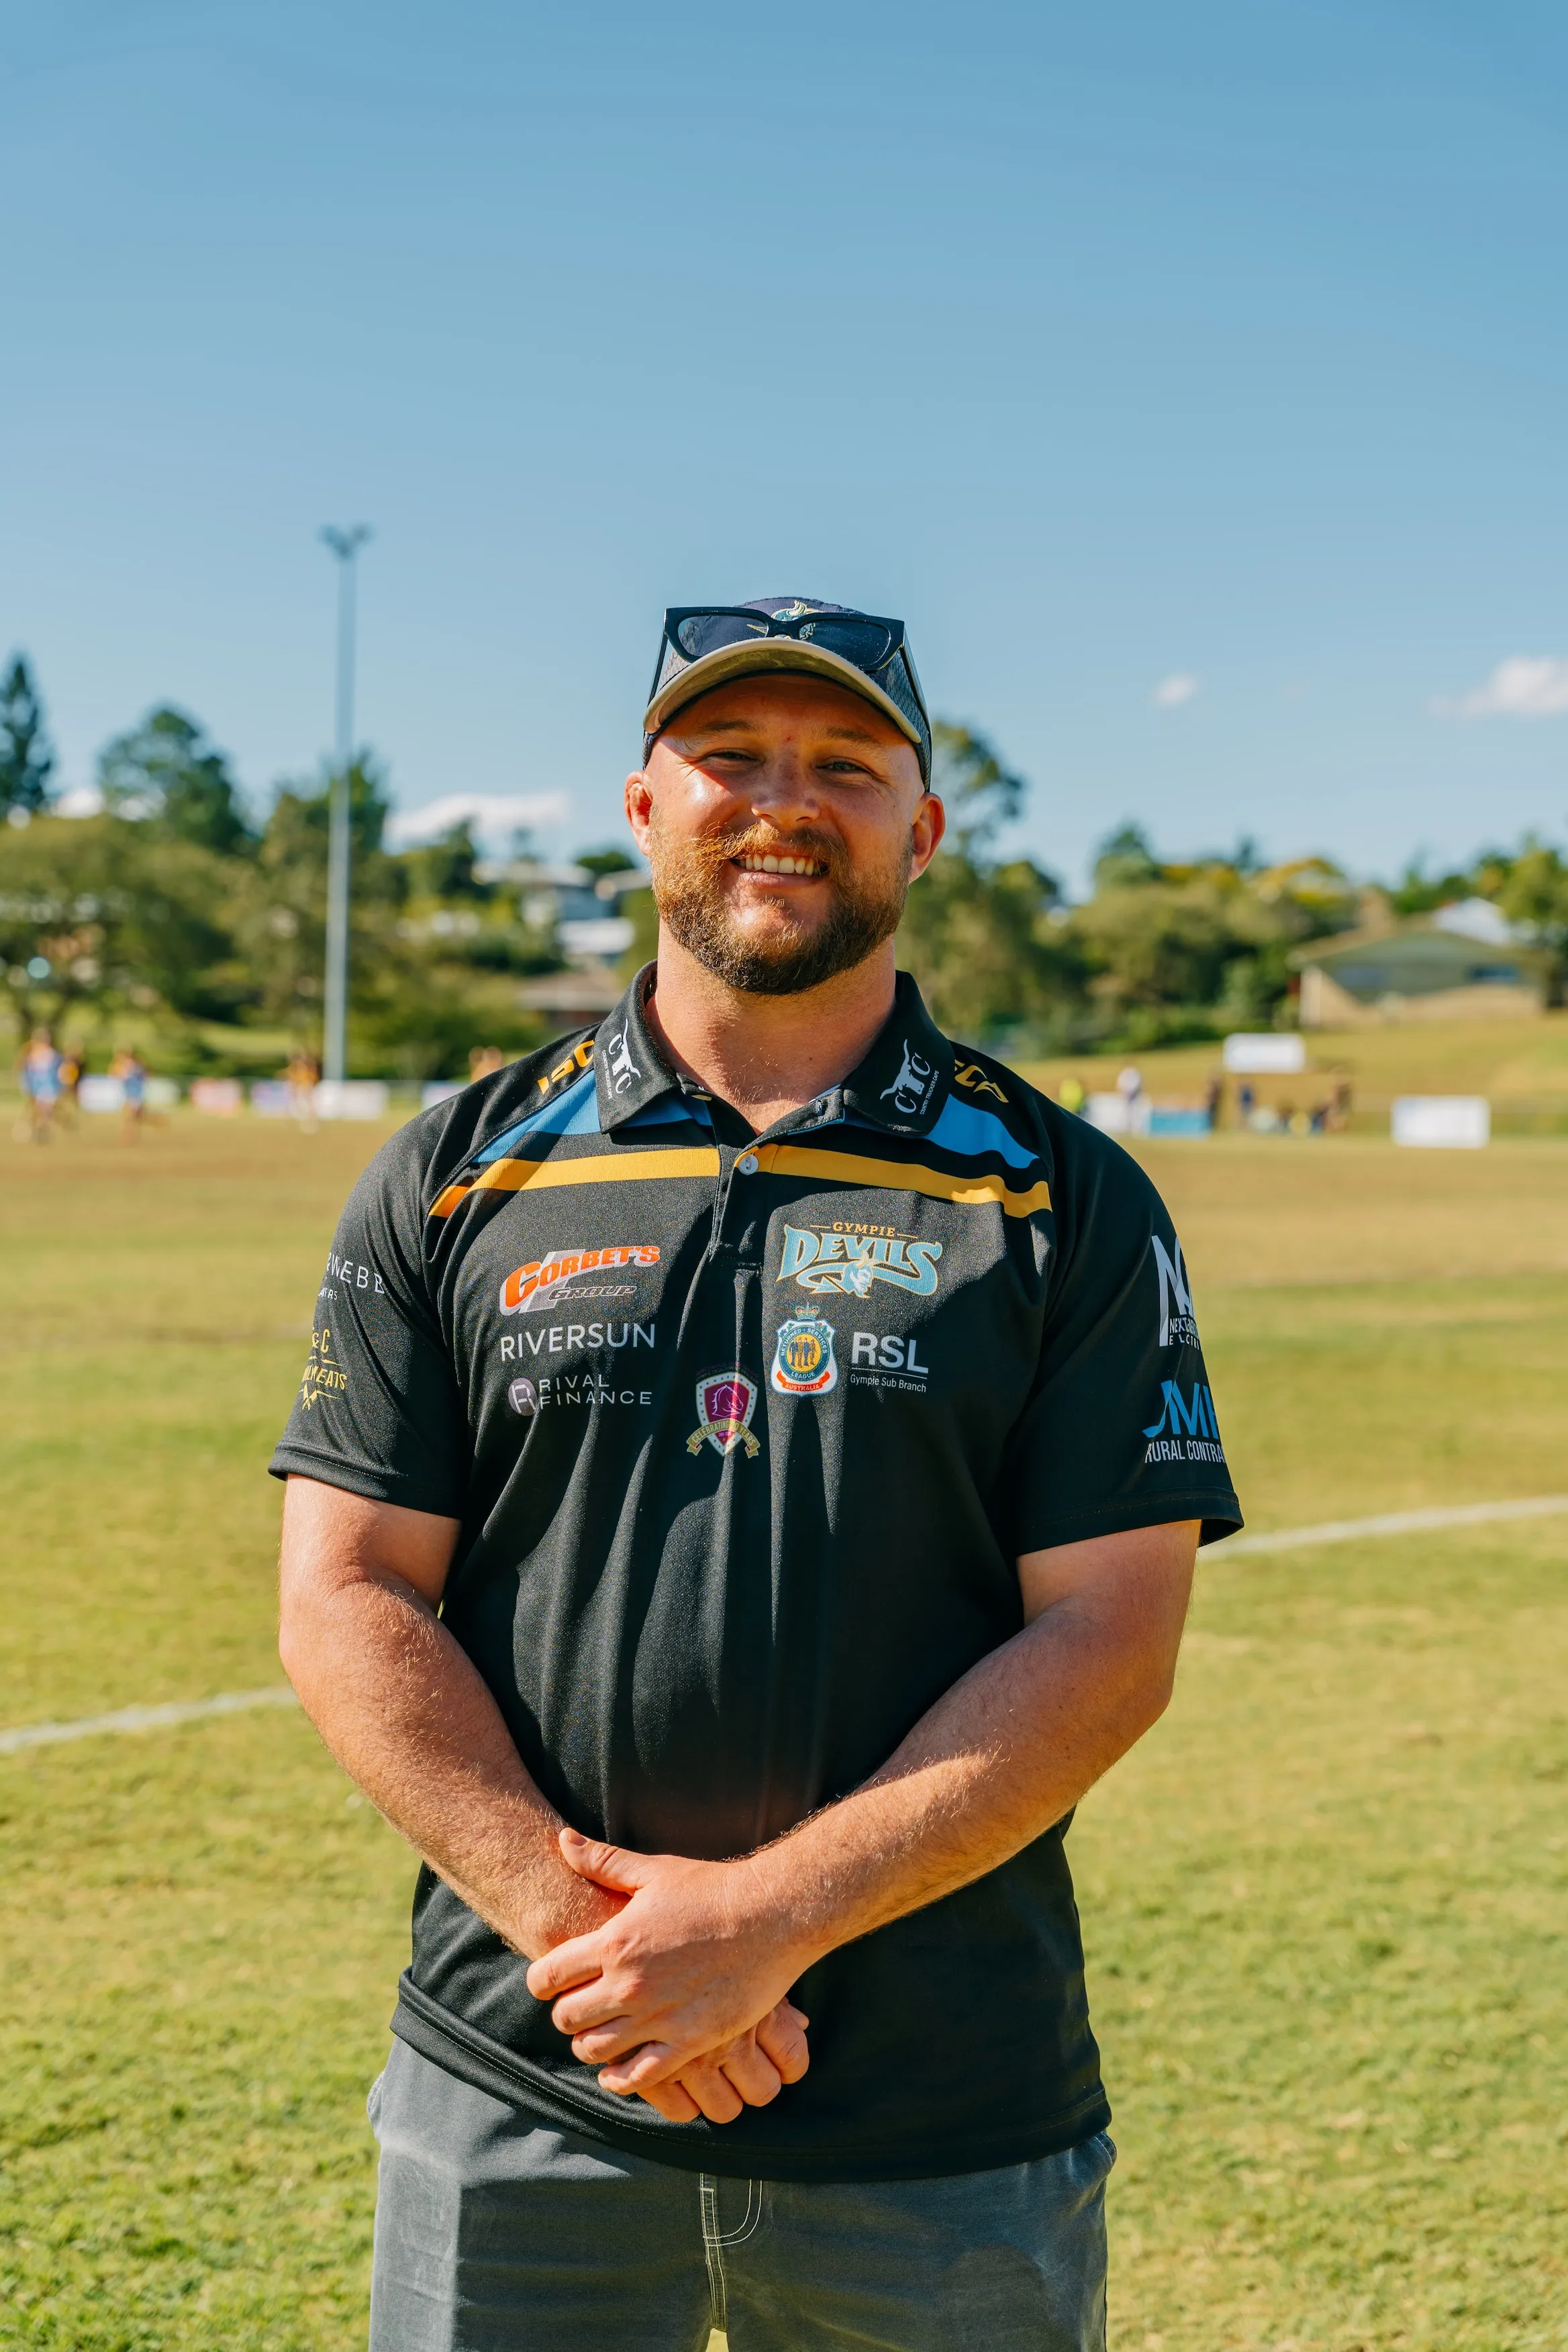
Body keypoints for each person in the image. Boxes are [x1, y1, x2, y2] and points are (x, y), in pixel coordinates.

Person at [273, 595, 1242, 2352]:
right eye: (729, 756)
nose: (782, 799)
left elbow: (1114, 1634)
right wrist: (612, 1956)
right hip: (527, 2091)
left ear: (924, 828)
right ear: (644, 809)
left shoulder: (1066, 1194)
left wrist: (769, 1924)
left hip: (942, 2129)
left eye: (846, 765)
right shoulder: (455, 1170)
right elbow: (343, 1594)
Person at [17, 1026, 62, 1143]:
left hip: (48, 1085)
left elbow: (57, 1071)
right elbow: (26, 1070)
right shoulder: (31, 1054)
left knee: (47, 1109)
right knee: (38, 1109)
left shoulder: (52, 1054)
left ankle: (43, 1128)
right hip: (37, 1085)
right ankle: (37, 1128)